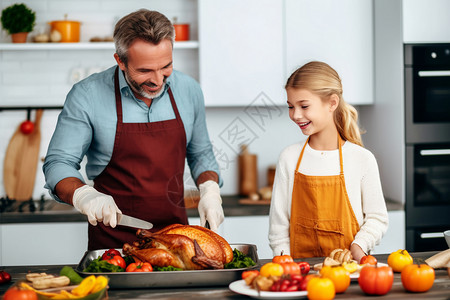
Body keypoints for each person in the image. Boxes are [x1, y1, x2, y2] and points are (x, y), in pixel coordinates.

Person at [43, 9, 224, 250]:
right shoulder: (87, 95)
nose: (158, 80)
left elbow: (201, 153)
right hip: (113, 244)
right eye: (145, 71)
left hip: (177, 242)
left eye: (166, 66)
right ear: (120, 61)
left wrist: (210, 188)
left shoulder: (189, 89)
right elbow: (58, 162)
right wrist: (83, 195)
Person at [268, 61, 388, 262]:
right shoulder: (289, 157)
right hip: (300, 275)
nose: (295, 115)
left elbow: (377, 219)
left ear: (332, 103)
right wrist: (285, 265)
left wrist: (359, 247)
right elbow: (279, 228)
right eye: (291, 106)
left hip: (349, 271)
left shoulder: (361, 159)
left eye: (304, 106)